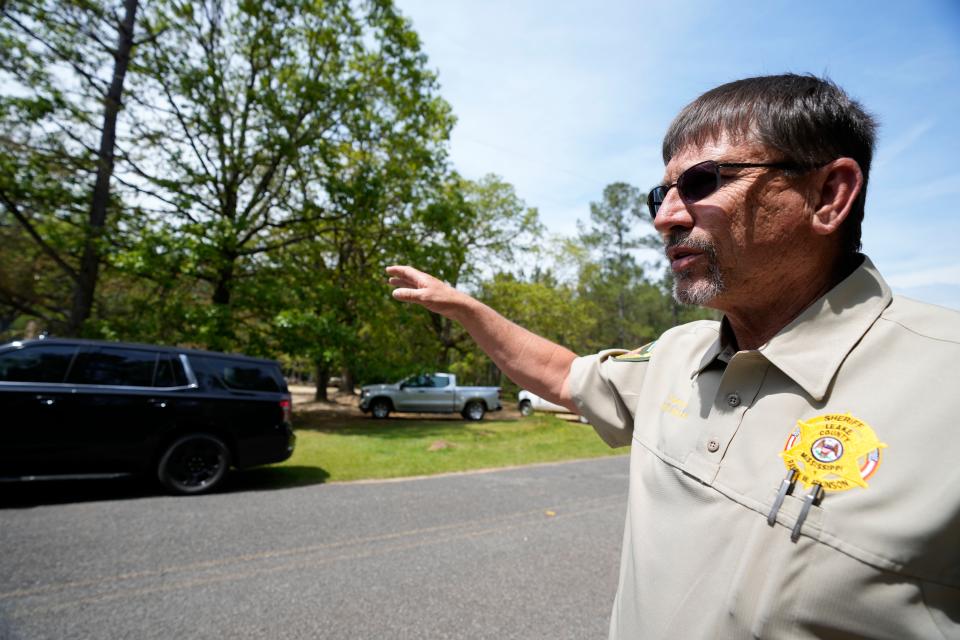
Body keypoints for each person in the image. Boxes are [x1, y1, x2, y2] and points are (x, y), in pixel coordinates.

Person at [387, 74, 960, 639]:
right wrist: (463, 307)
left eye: (703, 182)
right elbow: (562, 374)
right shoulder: (675, 355)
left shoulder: (944, 381)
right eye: (662, 194)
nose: (666, 217)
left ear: (828, 194)